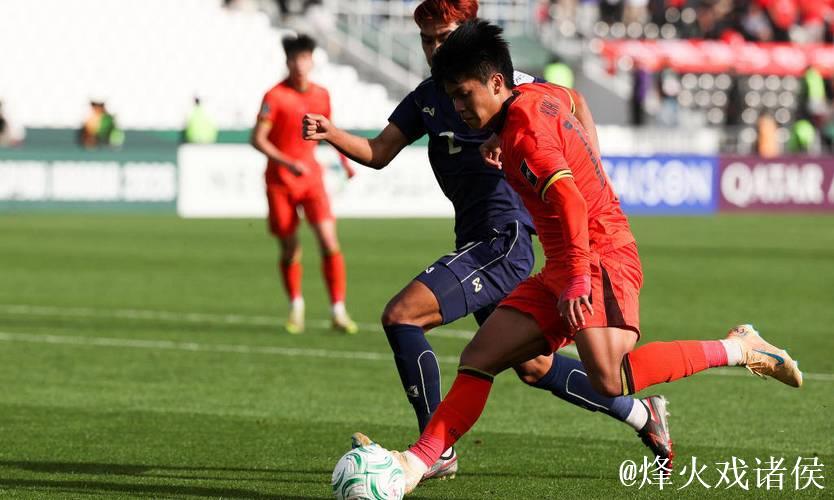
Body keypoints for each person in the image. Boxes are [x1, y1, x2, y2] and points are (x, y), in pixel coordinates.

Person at [356, 19, 803, 494]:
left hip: (602, 255)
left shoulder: (525, 134)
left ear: (496, 83)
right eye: (452, 97)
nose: (458, 107)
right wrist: (518, 141)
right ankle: (418, 463)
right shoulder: (536, 99)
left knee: (612, 378)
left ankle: (740, 347)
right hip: (568, 258)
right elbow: (570, 102)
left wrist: (575, 280)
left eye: (465, 95)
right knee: (479, 356)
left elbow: (569, 200)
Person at [304, 0, 673, 481]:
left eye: (444, 36)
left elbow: (574, 102)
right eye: (426, 40)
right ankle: (645, 416)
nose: (434, 48)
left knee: (402, 315)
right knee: (535, 367)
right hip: (474, 241)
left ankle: (433, 450)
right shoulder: (429, 97)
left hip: (504, 239)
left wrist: (590, 174)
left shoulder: (502, 85)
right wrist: (333, 133)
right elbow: (378, 152)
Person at [251, 34, 357, 334]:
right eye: (294, 59)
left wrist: (346, 161)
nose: (300, 64)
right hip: (280, 181)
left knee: (329, 241)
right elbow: (257, 139)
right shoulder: (275, 96)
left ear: (311, 61)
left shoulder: (321, 95)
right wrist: (287, 162)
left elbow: (330, 132)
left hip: (311, 179)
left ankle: (338, 310)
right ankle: (296, 306)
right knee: (290, 248)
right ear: (287, 62)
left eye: (304, 58)